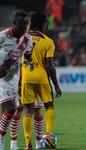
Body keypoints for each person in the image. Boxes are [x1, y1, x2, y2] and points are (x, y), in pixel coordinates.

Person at [21, 12, 62, 150]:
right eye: (46, 25)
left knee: (28, 109)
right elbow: (50, 66)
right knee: (49, 105)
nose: (46, 27)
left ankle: (28, 144)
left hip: (26, 77)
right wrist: (56, 86)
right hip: (42, 77)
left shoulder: (22, 38)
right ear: (43, 24)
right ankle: (49, 134)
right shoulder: (48, 41)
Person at [10, 12, 44, 150]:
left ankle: (37, 143)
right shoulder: (18, 39)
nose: (27, 26)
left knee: (37, 111)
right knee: (18, 110)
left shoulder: (35, 40)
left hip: (35, 80)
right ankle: (13, 144)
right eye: (26, 24)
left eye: (29, 24)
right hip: (20, 79)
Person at [0, 12, 34, 150]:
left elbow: (27, 56)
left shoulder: (27, 39)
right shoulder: (3, 36)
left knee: (6, 115)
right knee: (12, 108)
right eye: (21, 24)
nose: (24, 27)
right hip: (1, 78)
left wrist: (29, 64)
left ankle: (8, 143)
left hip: (14, 79)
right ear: (14, 23)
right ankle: (1, 142)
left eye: (26, 24)